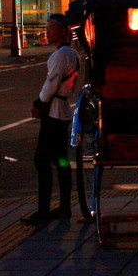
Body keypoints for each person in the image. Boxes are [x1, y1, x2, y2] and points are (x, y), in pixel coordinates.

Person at [24, 13, 79, 225]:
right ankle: (64, 207)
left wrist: (38, 103)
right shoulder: (69, 53)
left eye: (51, 28)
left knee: (42, 159)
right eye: (47, 28)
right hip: (61, 111)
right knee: (61, 160)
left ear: (63, 31)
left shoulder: (62, 54)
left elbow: (51, 83)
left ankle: (44, 210)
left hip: (54, 112)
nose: (47, 31)